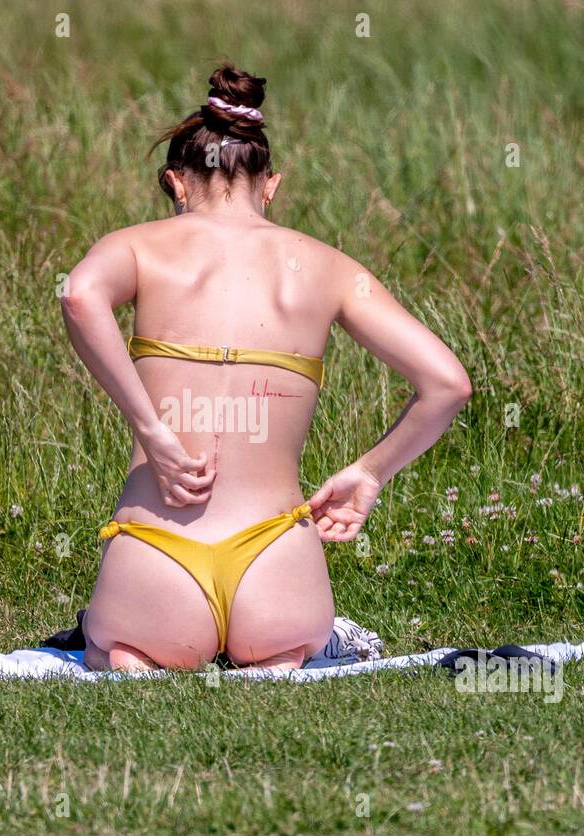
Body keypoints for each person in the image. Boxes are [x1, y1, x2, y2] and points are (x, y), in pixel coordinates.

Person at [62, 64, 471, 672]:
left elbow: (78, 296)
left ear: (176, 183)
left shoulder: (140, 246)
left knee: (123, 654)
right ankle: (272, 662)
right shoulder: (328, 266)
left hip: (155, 560)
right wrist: (369, 472)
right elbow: (448, 384)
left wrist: (151, 430)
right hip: (278, 564)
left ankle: (135, 659)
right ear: (270, 185)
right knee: (278, 660)